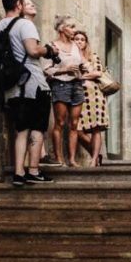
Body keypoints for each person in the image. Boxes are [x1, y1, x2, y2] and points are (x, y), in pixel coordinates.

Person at [0, 0, 54, 186]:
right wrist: (48, 50)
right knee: (37, 128)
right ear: (19, 5)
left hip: (11, 86)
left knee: (21, 130)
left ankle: (19, 172)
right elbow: (33, 50)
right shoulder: (25, 24)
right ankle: (34, 171)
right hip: (32, 83)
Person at [45, 15, 86, 167]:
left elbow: (82, 63)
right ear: (62, 29)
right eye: (72, 27)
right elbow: (47, 70)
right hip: (60, 85)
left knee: (74, 123)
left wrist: (84, 67)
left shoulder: (75, 46)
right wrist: (64, 69)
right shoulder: (52, 46)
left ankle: (72, 160)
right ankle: (59, 159)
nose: (74, 30)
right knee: (60, 123)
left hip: (77, 85)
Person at [75, 29, 109, 166]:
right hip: (78, 95)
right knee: (77, 130)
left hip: (95, 95)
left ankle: (94, 159)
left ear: (86, 42)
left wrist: (82, 76)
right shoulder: (71, 56)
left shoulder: (92, 56)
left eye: (82, 39)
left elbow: (98, 73)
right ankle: (96, 154)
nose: (79, 41)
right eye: (76, 39)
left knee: (96, 128)